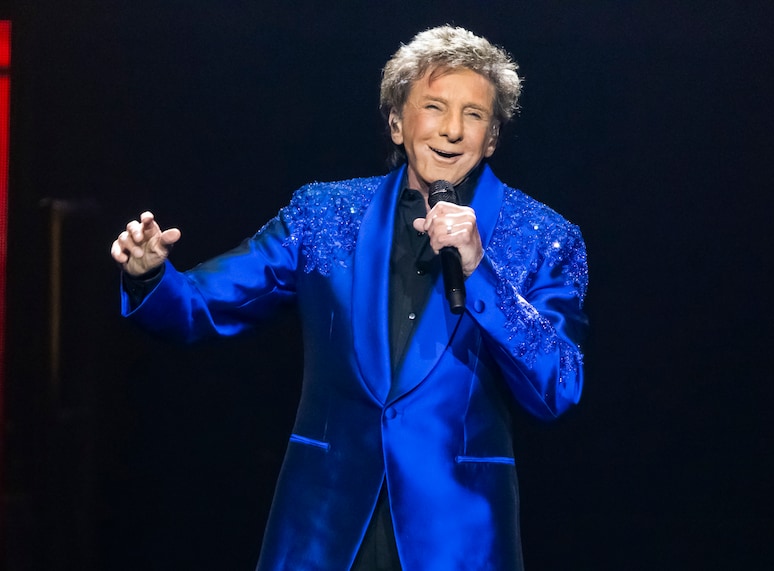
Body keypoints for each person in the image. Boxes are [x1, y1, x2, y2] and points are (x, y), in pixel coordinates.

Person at [111, 25, 588, 571]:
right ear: (397, 123)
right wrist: (149, 276)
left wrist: (481, 271)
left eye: (474, 114)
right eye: (434, 107)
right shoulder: (324, 214)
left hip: (457, 540)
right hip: (323, 529)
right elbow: (203, 305)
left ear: (493, 137)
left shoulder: (545, 237)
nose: (453, 130)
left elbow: (559, 386)